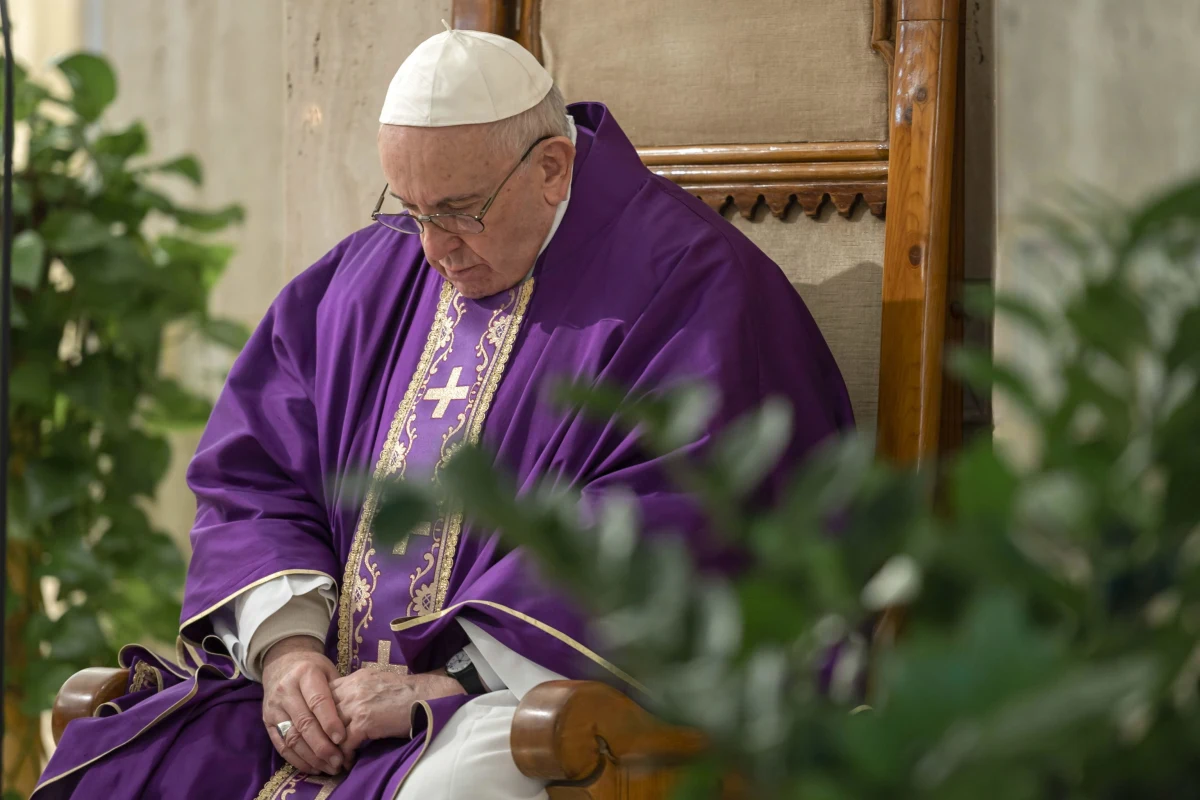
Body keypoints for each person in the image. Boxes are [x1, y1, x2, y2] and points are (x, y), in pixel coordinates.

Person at [35, 23, 853, 800]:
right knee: (143, 766)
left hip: (532, 689)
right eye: (412, 208)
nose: (432, 249)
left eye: (459, 211)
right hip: (336, 700)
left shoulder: (692, 289)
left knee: (468, 776)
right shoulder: (368, 278)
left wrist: (450, 679)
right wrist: (288, 653)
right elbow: (257, 472)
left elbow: (676, 525)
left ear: (552, 169)